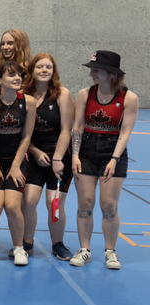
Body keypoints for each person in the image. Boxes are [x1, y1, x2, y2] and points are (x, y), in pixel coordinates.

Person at [69, 50, 137, 270]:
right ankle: (85, 249)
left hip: (112, 150)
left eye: (96, 70)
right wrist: (75, 155)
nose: (92, 73)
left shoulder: (129, 98)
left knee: (108, 205)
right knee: (85, 203)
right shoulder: (84, 94)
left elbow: (125, 132)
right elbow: (78, 126)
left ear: (111, 73)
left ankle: (110, 251)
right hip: (86, 150)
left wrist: (114, 159)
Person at [0, 61, 36, 266]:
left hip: (16, 160)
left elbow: (26, 137)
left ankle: (19, 248)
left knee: (11, 206)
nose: (17, 78)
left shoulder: (28, 102)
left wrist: (16, 166)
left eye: (19, 75)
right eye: (11, 75)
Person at [22, 53, 74, 261]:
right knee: (28, 201)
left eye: (48, 67)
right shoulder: (25, 95)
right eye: (39, 67)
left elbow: (66, 130)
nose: (44, 70)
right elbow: (22, 131)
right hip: (35, 156)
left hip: (59, 159)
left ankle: (58, 244)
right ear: (32, 71)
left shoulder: (62, 94)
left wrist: (57, 159)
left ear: (54, 71)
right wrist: (34, 151)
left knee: (54, 203)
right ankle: (27, 242)